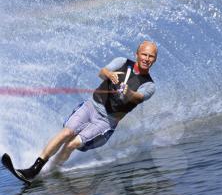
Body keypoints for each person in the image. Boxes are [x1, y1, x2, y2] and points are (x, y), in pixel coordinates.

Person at [17, 40, 158, 180]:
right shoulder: (122, 62)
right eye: (144, 54)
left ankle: (50, 170)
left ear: (155, 59)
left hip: (107, 121)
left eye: (150, 56)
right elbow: (102, 72)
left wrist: (129, 93)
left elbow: (138, 97)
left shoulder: (149, 85)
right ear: (137, 54)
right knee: (66, 133)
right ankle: (35, 169)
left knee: (72, 144)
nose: (146, 58)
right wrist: (109, 75)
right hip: (91, 106)